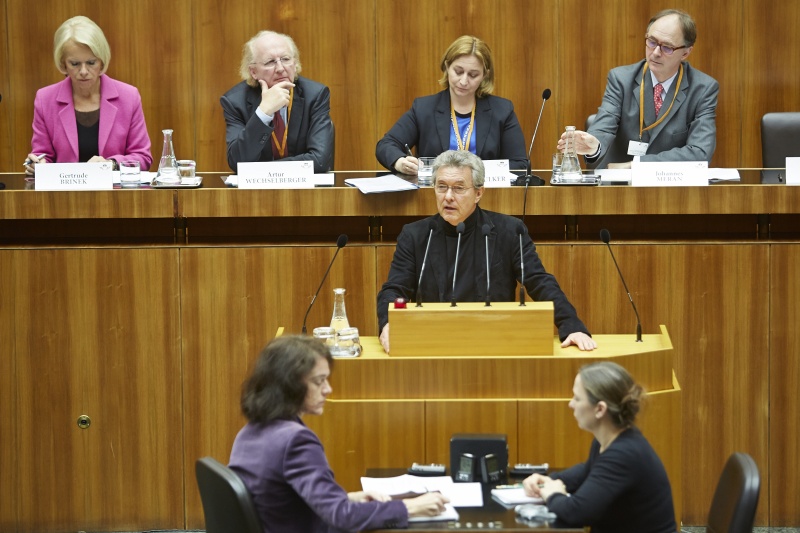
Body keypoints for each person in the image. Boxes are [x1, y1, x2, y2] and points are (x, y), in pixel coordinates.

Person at [377, 150, 596, 354]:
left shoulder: (509, 231)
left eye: (459, 188)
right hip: (433, 344)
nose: (448, 197)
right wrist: (388, 323)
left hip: (495, 342)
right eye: (441, 187)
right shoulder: (415, 235)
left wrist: (571, 325)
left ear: (479, 192)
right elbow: (395, 289)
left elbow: (539, 282)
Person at [228, 335, 448, 532]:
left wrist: (345, 498)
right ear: (290, 385)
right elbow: (342, 517)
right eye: (318, 381)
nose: (328, 389)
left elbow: (279, 501)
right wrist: (409, 507)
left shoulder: (249, 433)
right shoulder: (295, 441)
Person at [522, 362, 676, 533]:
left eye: (577, 398)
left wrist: (552, 494)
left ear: (600, 409)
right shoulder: (609, 441)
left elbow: (577, 512)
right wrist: (548, 480)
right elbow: (589, 472)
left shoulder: (624, 454)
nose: (570, 404)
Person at [558, 9, 718, 170]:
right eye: (652, 42)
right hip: (621, 189)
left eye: (667, 47)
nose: (655, 53)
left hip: (673, 188)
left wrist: (638, 165)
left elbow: (700, 152)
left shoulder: (703, 89)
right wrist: (594, 146)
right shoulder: (621, 79)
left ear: (685, 52)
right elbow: (604, 124)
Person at [375, 35, 527, 175]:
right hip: (434, 197)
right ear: (447, 67)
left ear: (485, 75)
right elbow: (386, 145)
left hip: (485, 195)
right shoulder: (424, 108)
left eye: (473, 75)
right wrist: (400, 162)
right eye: (458, 71)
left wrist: (474, 173)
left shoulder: (502, 111)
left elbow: (519, 165)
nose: (463, 81)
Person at [25, 16, 152, 175]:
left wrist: (110, 164)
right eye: (75, 64)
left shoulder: (128, 96)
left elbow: (143, 157)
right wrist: (38, 163)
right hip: (65, 196)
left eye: (91, 63)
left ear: (102, 62)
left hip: (116, 195)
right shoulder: (45, 99)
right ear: (63, 63)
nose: (84, 71)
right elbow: (42, 154)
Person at [221, 31, 334, 174]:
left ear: (295, 63)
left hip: (306, 191)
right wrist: (263, 113)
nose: (280, 68)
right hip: (254, 193)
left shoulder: (316, 95)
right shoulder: (235, 102)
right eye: (270, 62)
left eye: (285, 59)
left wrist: (266, 170)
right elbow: (238, 162)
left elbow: (320, 161)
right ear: (253, 71)